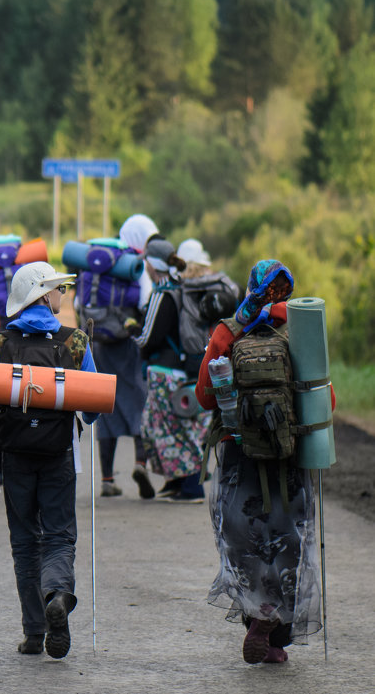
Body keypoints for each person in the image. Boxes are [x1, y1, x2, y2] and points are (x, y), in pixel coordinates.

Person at [196, 260, 323, 664]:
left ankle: (257, 617)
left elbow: (204, 396)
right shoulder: (298, 328)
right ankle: (274, 630)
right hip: (288, 456)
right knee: (289, 540)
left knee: (242, 541)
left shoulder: (229, 331)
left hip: (239, 455)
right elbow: (324, 398)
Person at [0, 262, 98, 659]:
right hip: (58, 453)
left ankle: (33, 633)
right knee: (60, 535)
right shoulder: (76, 342)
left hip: (12, 456)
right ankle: (57, 595)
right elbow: (93, 411)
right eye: (58, 289)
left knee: (25, 542)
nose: (62, 295)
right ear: (43, 295)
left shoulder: (1, 341)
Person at [133, 238, 208, 503]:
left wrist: (132, 332)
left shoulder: (162, 293)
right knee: (174, 426)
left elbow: (148, 338)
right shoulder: (182, 288)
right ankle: (176, 484)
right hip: (183, 367)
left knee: (167, 429)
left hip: (165, 370)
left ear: (152, 264)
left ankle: (190, 488)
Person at [90, 214, 157, 499]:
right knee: (139, 402)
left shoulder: (99, 263)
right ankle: (141, 464)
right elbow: (145, 302)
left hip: (102, 346)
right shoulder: (136, 266)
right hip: (129, 344)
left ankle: (106, 478)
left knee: (106, 407)